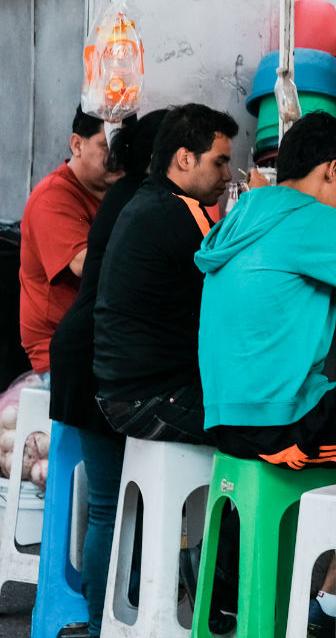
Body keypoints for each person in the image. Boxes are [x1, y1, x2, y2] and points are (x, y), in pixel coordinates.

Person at [196, 111, 336, 470]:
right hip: (279, 425)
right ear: (331, 169)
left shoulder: (245, 214)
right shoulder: (314, 218)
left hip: (224, 418)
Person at [48, 110, 165, 638]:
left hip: (88, 352)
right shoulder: (143, 202)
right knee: (109, 506)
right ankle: (102, 625)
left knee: (112, 504)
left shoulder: (129, 197)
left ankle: (112, 620)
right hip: (91, 357)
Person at [93, 103, 237, 444]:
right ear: (185, 158)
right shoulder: (181, 213)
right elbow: (235, 290)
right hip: (153, 399)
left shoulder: (147, 200)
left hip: (122, 394)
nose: (228, 175)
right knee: (276, 419)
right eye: (220, 162)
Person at [19, 105, 125, 376]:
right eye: (106, 146)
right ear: (77, 144)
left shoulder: (117, 193)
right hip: (62, 354)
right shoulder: (52, 197)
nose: (117, 157)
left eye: (124, 146)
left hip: (104, 342)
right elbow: (86, 265)